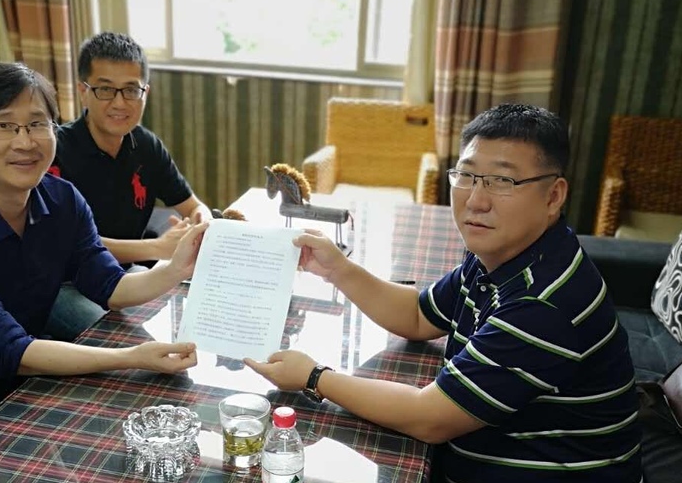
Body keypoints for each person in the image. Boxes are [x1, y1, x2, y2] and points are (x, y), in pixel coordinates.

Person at [245, 104, 641, 482]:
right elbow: (419, 316)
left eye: (502, 181)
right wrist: (338, 269)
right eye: (467, 175)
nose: (476, 200)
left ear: (553, 196)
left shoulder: (543, 304)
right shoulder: (503, 254)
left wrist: (314, 376)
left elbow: (429, 418)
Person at [0, 62, 204, 456]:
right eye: (4, 125)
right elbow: (10, 349)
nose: (25, 142)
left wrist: (175, 269)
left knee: (120, 428)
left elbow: (109, 284)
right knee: (20, 464)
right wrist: (131, 357)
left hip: (21, 365)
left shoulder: (62, 199)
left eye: (37, 123)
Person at [46, 31, 212, 339]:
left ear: (145, 92)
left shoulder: (146, 145)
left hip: (123, 275)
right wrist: (160, 248)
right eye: (105, 90)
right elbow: (68, 247)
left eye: (131, 90)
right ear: (83, 91)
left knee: (184, 319)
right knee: (123, 341)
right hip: (62, 285)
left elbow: (193, 206)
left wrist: (201, 225)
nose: (120, 103)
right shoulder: (55, 151)